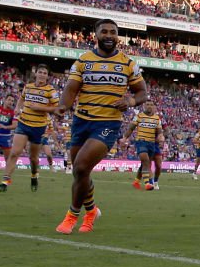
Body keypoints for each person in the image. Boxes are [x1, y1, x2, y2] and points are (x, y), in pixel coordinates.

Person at [54, 18, 147, 234]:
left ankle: (72, 217)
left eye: (113, 32)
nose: (108, 35)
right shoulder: (83, 61)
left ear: (117, 36)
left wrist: (130, 101)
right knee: (80, 173)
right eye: (104, 31)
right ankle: (92, 209)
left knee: (80, 167)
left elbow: (141, 92)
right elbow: (70, 90)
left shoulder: (128, 63)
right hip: (81, 121)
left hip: (107, 124)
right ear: (95, 35)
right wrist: (62, 107)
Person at [0, 64, 59, 192]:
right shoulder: (28, 87)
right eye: (40, 72)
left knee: (33, 158)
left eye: (45, 73)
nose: (42, 75)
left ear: (47, 76)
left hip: (38, 127)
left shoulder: (50, 91)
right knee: (14, 153)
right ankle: (5, 181)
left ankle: (34, 174)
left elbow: (57, 108)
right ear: (36, 74)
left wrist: (40, 108)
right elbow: (21, 99)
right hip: (23, 124)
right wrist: (17, 108)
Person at [123, 101, 165, 190]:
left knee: (145, 163)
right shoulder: (139, 116)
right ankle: (147, 184)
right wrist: (124, 138)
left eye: (151, 105)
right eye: (147, 105)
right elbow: (131, 128)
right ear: (144, 106)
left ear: (154, 106)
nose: (149, 106)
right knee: (145, 160)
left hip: (152, 143)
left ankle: (136, 181)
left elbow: (159, 132)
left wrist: (161, 137)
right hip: (141, 141)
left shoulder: (157, 118)